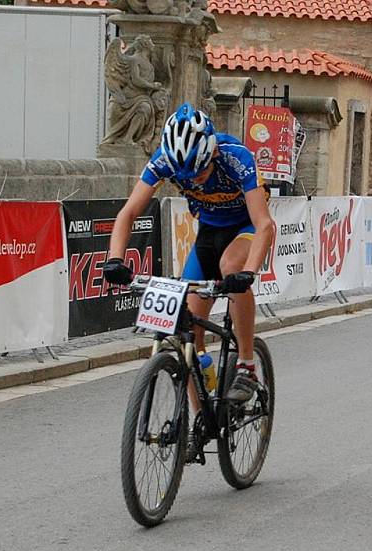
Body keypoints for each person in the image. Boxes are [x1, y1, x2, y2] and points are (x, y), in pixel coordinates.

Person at [102, 102, 275, 412]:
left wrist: (248, 272)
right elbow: (128, 212)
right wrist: (115, 259)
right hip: (209, 231)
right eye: (186, 176)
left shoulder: (237, 159)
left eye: (200, 172)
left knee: (231, 266)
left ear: (212, 153)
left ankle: (247, 363)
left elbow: (264, 224)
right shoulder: (164, 161)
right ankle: (198, 420)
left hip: (245, 226)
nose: (194, 181)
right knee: (189, 337)